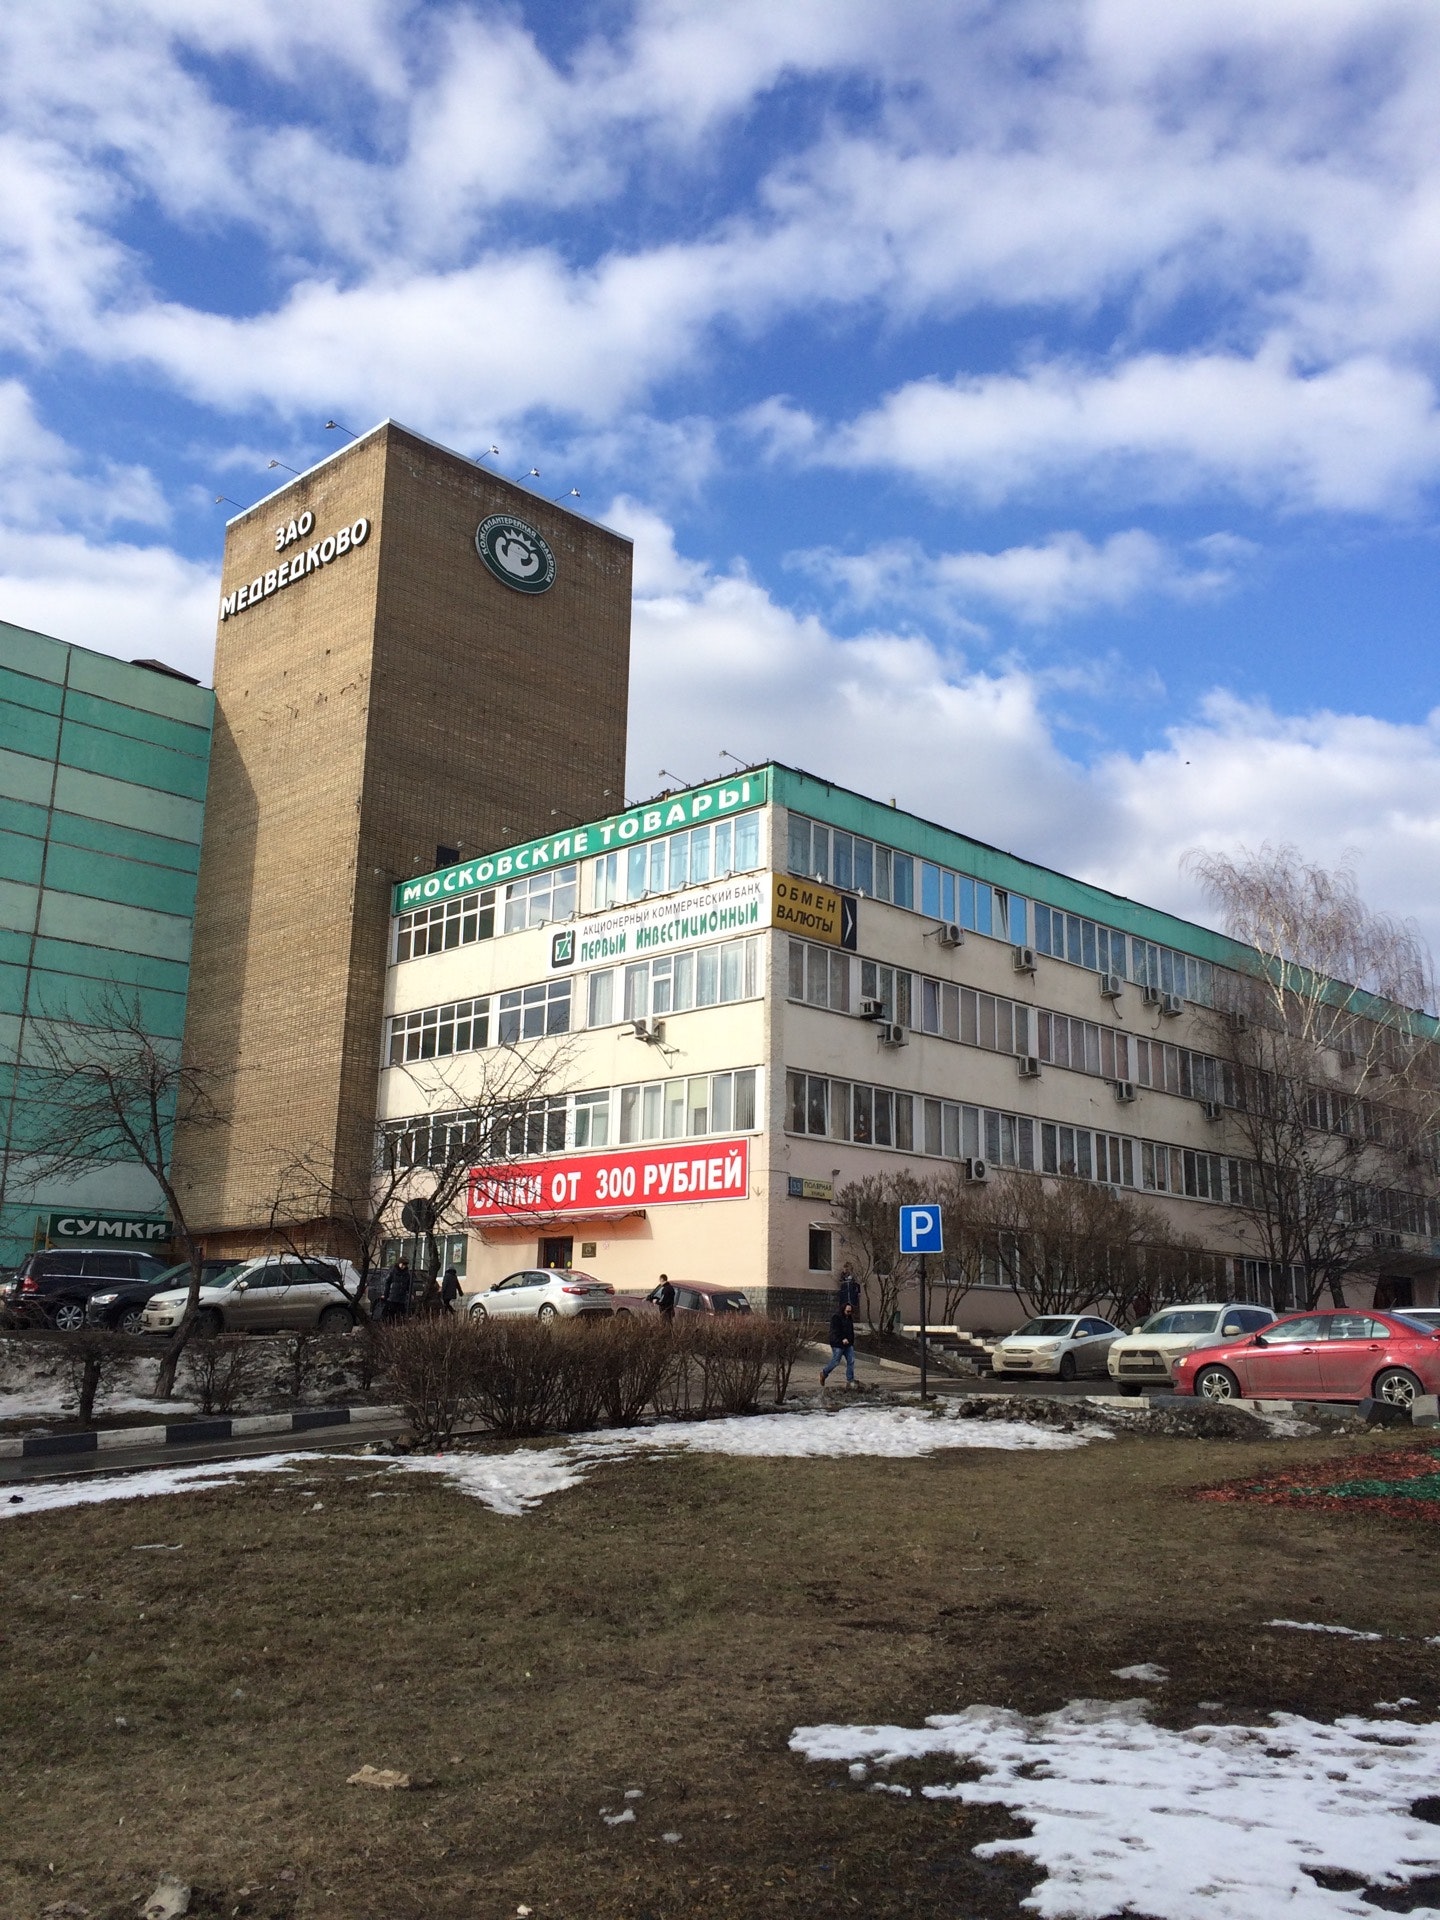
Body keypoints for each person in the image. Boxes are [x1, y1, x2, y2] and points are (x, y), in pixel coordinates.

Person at [820, 1301, 856, 1388]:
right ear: (843, 1310)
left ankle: (850, 1379)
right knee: (836, 1361)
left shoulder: (849, 1318)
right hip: (837, 1343)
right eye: (848, 1311)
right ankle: (824, 1373)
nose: (849, 1313)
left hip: (848, 1344)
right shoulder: (836, 1318)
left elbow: (850, 1331)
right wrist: (842, 1338)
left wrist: (851, 1341)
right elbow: (835, 1330)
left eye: (850, 1311)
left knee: (851, 1360)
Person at [380, 1255, 412, 1323]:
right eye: (402, 1264)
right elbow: (387, 1283)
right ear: (399, 1263)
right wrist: (385, 1294)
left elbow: (408, 1285)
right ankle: (389, 1323)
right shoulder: (393, 1272)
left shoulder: (407, 1274)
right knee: (391, 1312)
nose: (403, 1266)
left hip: (402, 1297)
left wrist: (410, 1293)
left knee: (402, 1312)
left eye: (405, 1265)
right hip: (393, 1296)